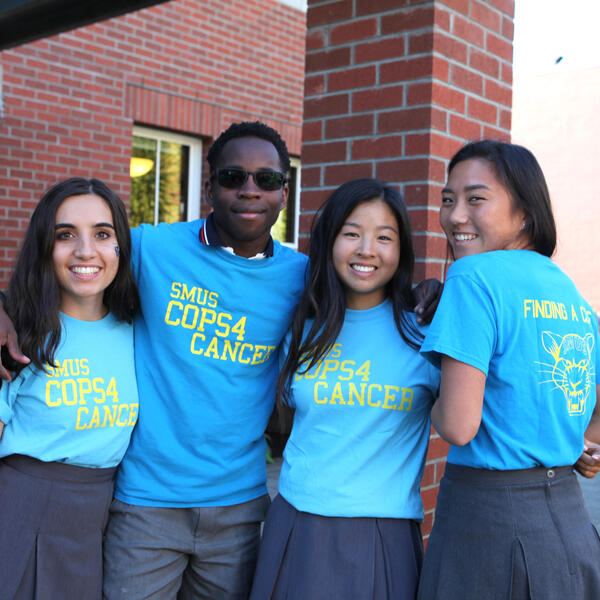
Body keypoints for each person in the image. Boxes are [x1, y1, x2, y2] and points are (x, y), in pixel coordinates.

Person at [0, 122, 441, 600]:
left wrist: (430, 293)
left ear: (283, 192)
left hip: (238, 508)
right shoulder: (151, 248)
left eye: (266, 180)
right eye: (233, 177)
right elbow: (73, 261)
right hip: (145, 503)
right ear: (209, 186)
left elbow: (365, 288)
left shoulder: (303, 279)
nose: (249, 190)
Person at [417, 140, 600, 600]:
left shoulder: (472, 277)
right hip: (571, 522)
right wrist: (578, 441)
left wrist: (427, 393)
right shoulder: (568, 290)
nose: (456, 215)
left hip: (487, 524)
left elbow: (459, 426)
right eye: (448, 199)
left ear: (525, 212)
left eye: (476, 199)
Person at [250, 178, 440, 600]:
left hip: (383, 534)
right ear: (329, 241)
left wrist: (569, 444)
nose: (366, 249)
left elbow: (487, 407)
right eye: (351, 233)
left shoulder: (426, 334)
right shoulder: (301, 328)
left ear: (401, 249)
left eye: (384, 237)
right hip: (297, 527)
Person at [0, 178, 139, 599]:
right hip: (22, 508)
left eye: (102, 234)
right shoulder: (17, 333)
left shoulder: (140, 328)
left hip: (106, 518)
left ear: (121, 247)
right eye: (65, 235)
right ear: (45, 246)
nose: (84, 251)